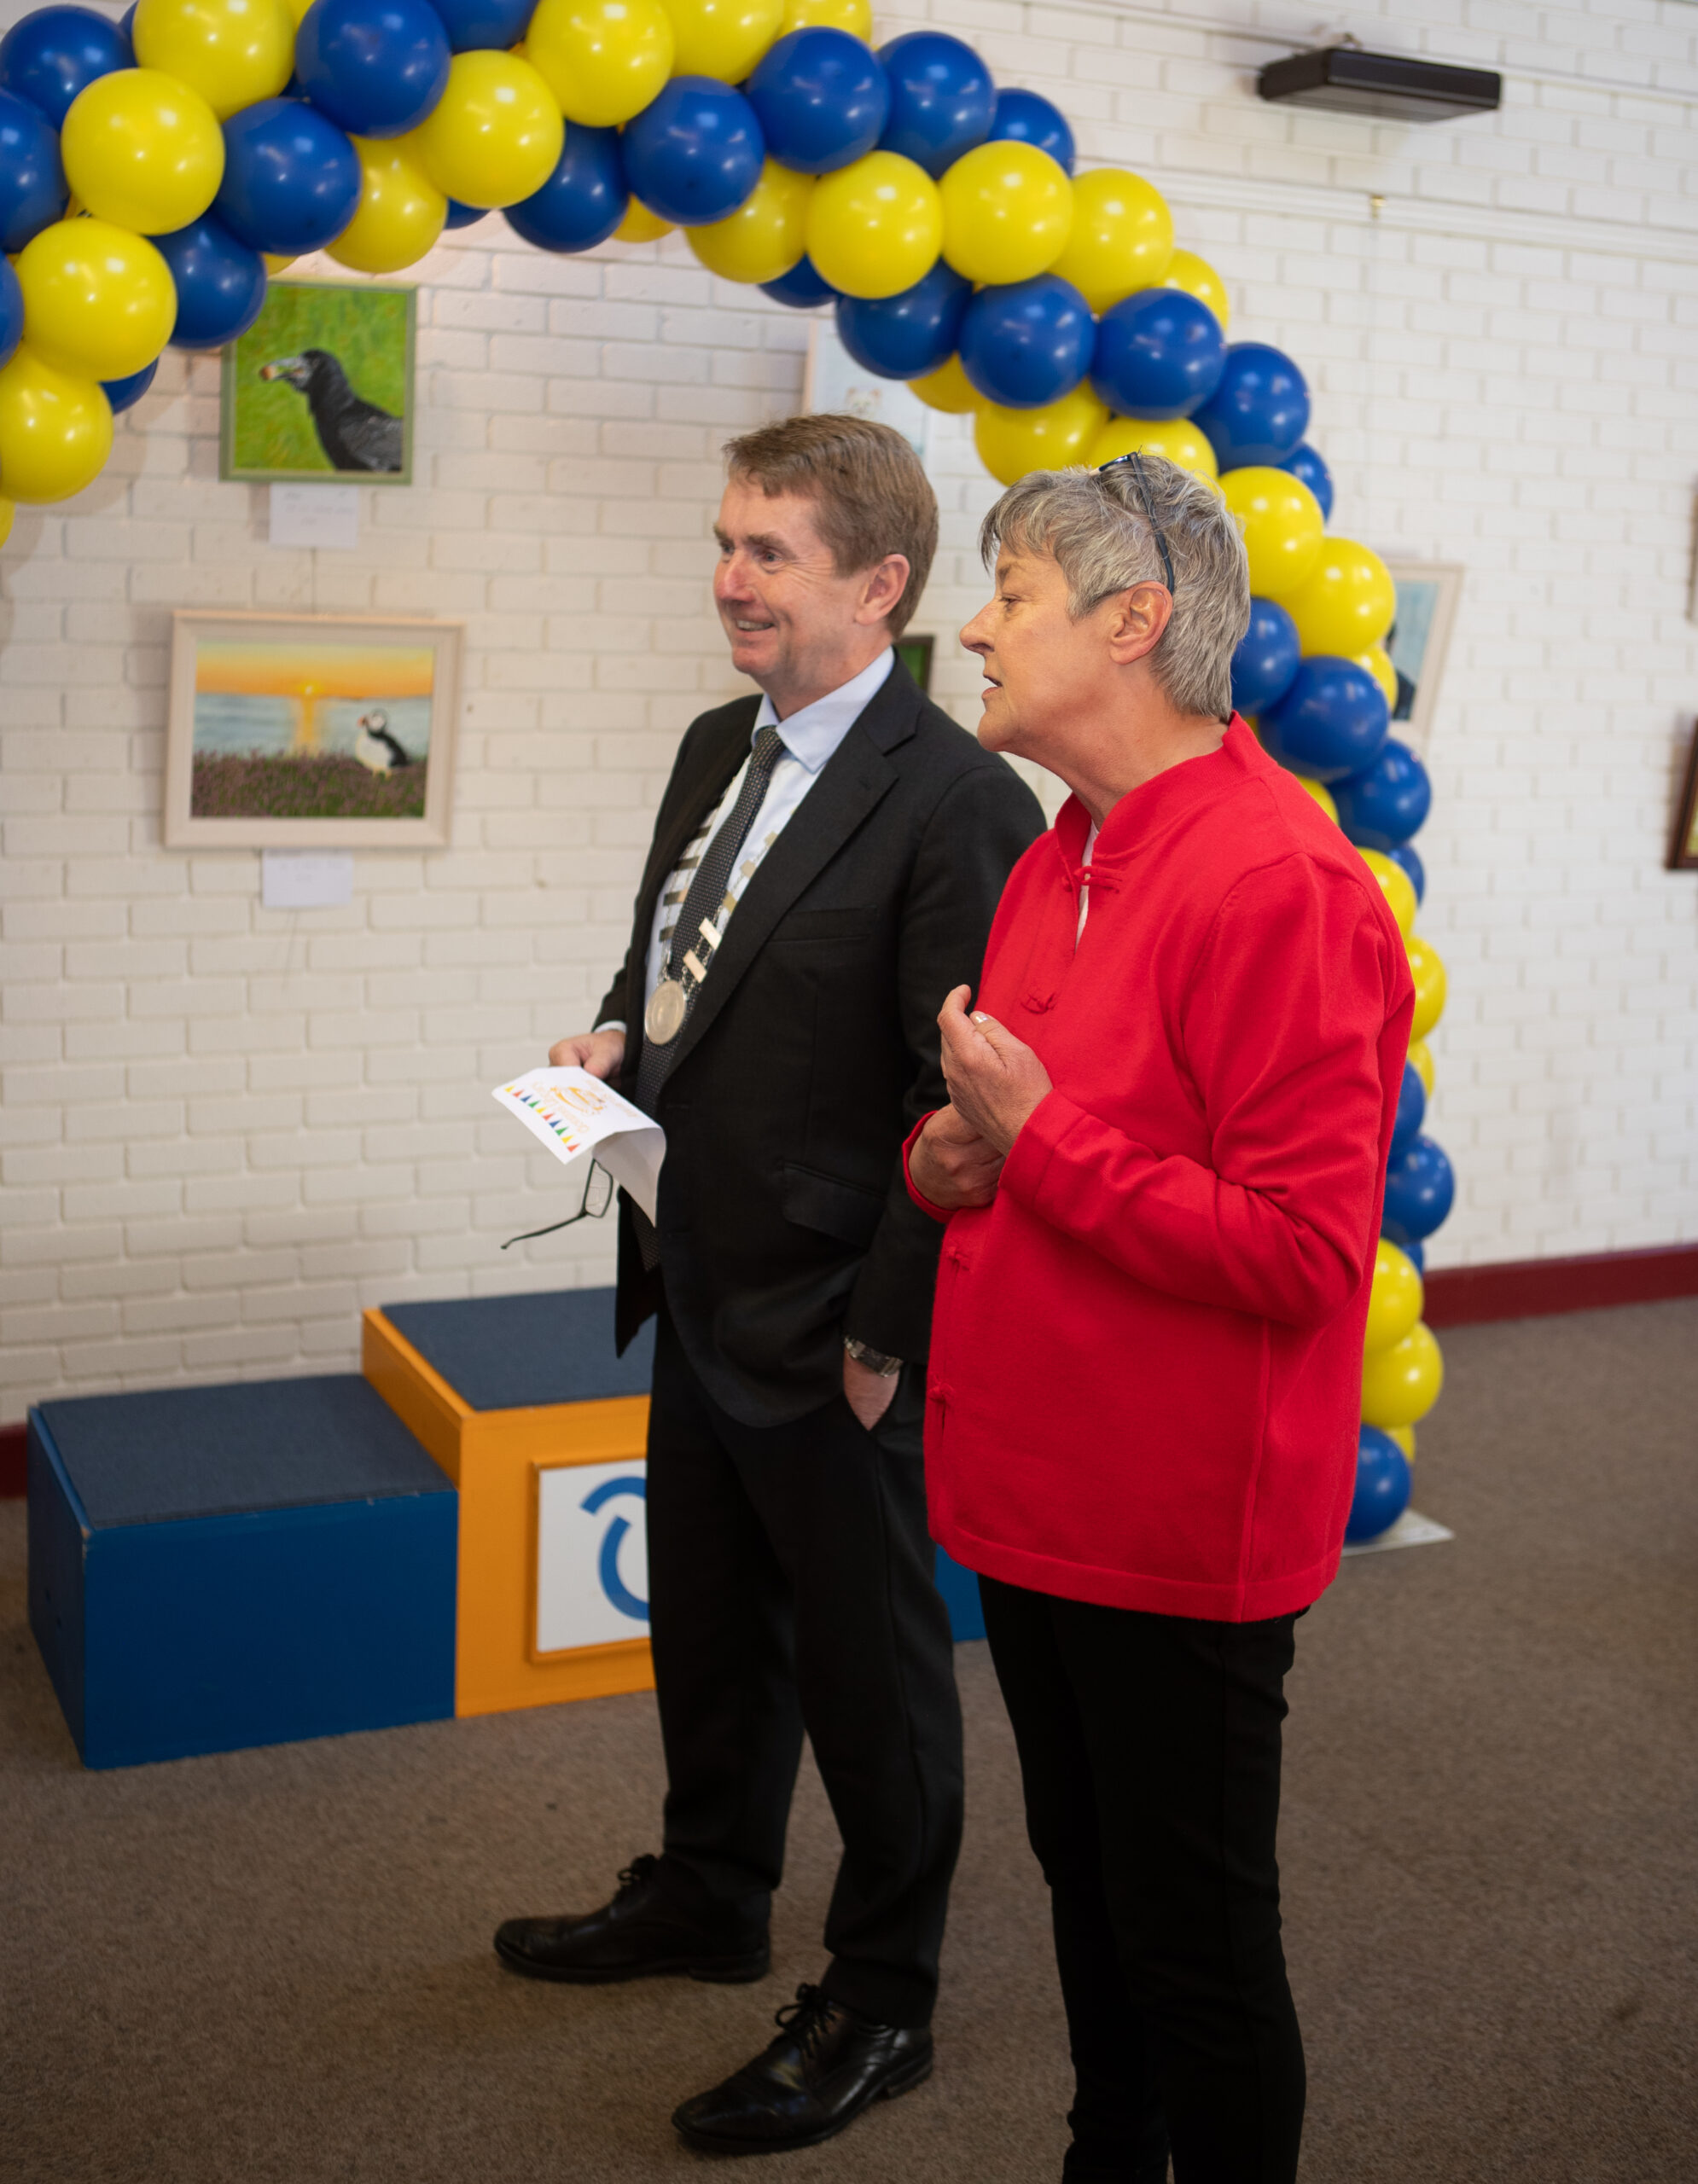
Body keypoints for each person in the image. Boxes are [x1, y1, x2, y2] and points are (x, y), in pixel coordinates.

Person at [494, 414, 1045, 2156]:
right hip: (693, 1272)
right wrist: (615, 1038)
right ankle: (709, 1893)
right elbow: (677, 958)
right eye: (724, 543)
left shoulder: (958, 799)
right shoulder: (710, 743)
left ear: (878, 584)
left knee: (874, 1683)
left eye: (767, 552)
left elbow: (951, 1100)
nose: (728, 580)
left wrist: (886, 1329)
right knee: (714, 1626)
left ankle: (882, 1998)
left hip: (835, 1326)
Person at [905, 455, 1415, 2184]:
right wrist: (946, 1157)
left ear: (1131, 623)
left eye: (1011, 595)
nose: (977, 629)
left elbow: (1300, 1254)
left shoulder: (1282, 885)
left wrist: (1033, 1133)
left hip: (1172, 1520)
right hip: (1034, 1489)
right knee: (1087, 1883)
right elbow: (1005, 1144)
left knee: (1192, 1940)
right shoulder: (1054, 851)